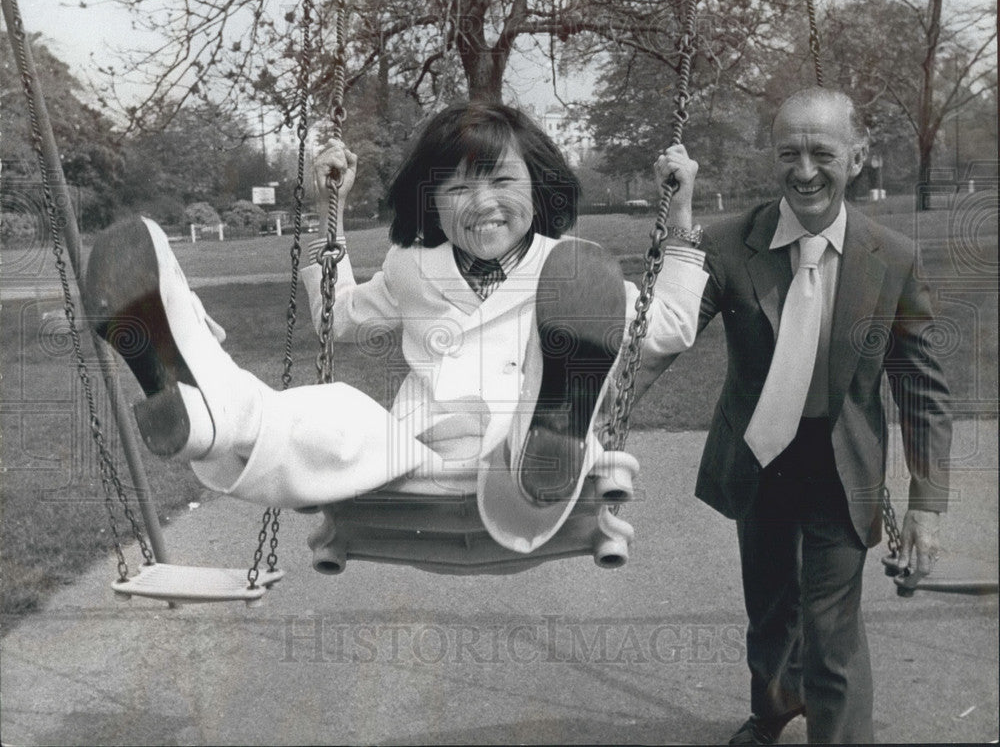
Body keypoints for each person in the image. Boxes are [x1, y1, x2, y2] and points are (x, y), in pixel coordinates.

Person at [84, 102, 709, 555]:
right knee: (339, 411)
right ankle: (212, 404)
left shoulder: (573, 270)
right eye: (457, 187)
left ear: (538, 187)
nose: (481, 201)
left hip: (515, 453)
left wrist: (678, 213)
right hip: (415, 458)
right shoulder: (412, 267)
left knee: (537, 402)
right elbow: (346, 314)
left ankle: (548, 431)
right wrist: (323, 209)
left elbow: (670, 327)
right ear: (429, 205)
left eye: (501, 180)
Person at [641, 87, 952, 744]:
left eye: (822, 153)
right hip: (759, 455)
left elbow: (923, 389)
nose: (804, 170)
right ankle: (775, 704)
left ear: (859, 156)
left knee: (831, 624)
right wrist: (680, 210)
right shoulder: (730, 245)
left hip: (843, 463)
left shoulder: (893, 258)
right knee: (771, 610)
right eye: (789, 153)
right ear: (771, 157)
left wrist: (926, 505)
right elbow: (669, 330)